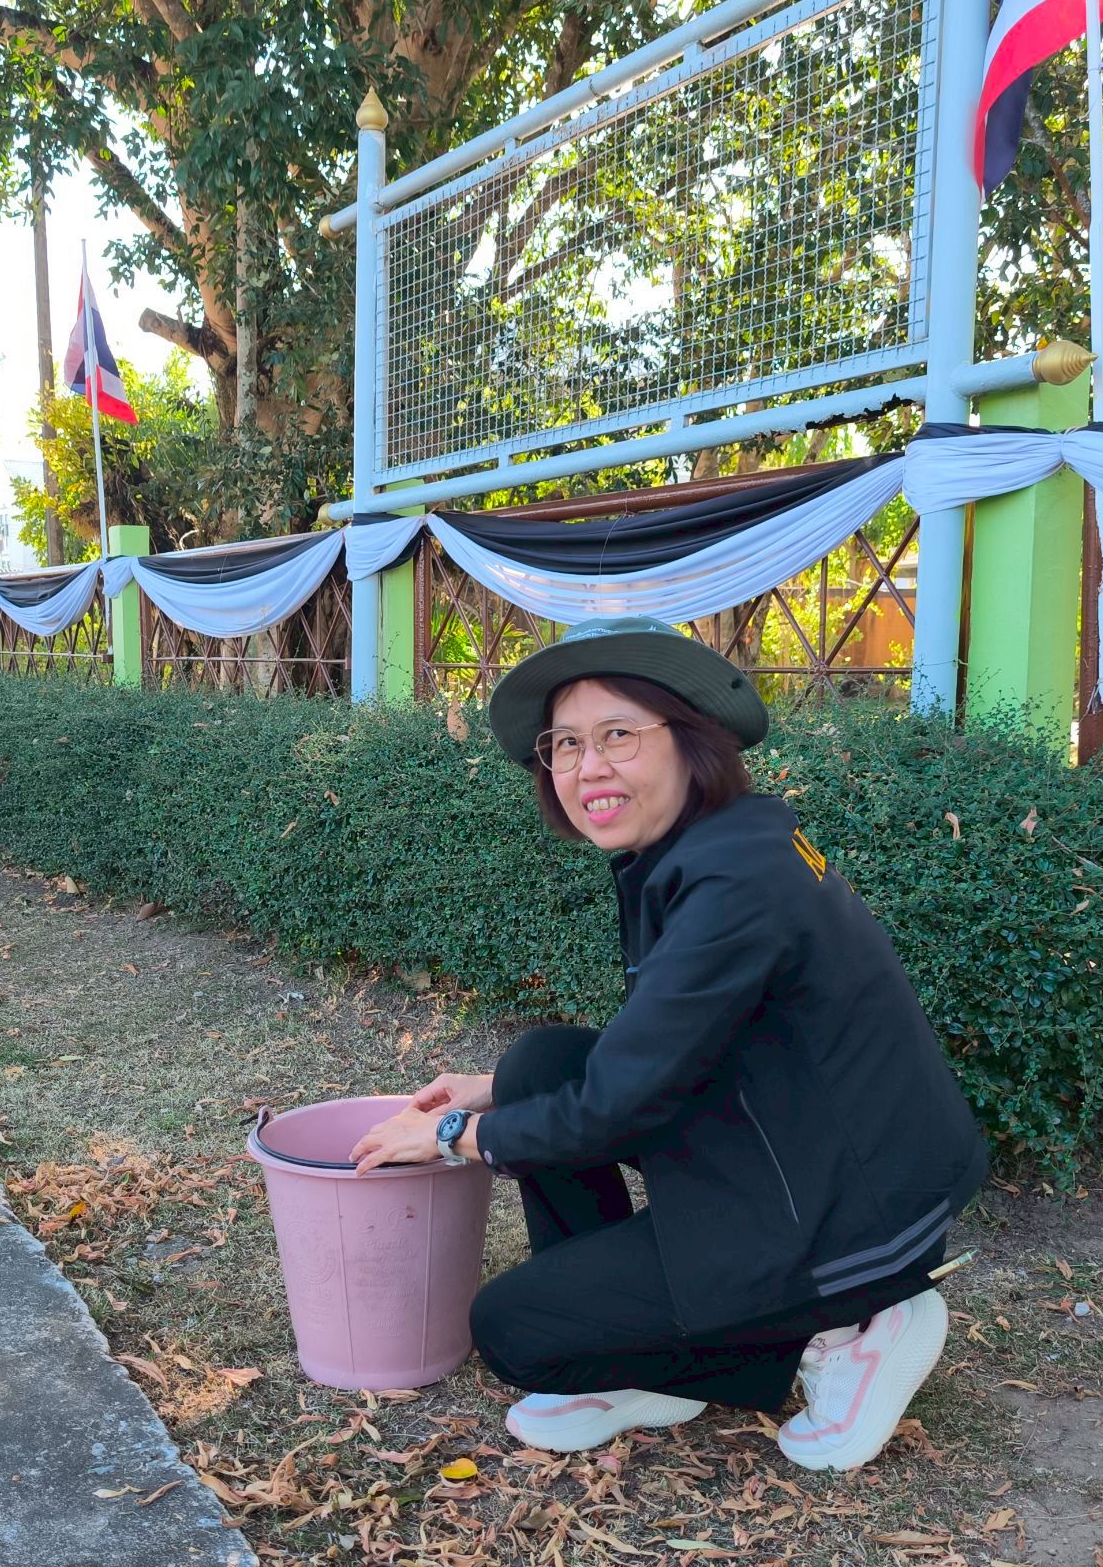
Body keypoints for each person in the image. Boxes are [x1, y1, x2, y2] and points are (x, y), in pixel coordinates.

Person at [350, 616, 987, 1472]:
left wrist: (452, 1137)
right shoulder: (715, 845)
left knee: (512, 1330)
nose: (588, 767)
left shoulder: (732, 880)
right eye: (566, 744)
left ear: (693, 743)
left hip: (849, 1219)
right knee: (536, 1066)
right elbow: (662, 1047)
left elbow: (620, 1102)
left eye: (618, 735)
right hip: (798, 1151)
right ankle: (646, 1359)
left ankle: (855, 1326)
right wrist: (488, 1088)